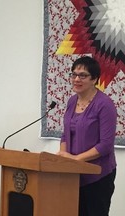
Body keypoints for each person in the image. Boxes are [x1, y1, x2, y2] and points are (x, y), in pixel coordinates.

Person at [57, 56, 117, 216]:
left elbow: (105, 145)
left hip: (98, 175)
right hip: (73, 174)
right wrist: (64, 158)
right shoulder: (71, 101)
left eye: (82, 75)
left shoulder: (105, 104)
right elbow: (65, 135)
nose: (76, 79)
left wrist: (75, 159)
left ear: (94, 79)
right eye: (74, 74)